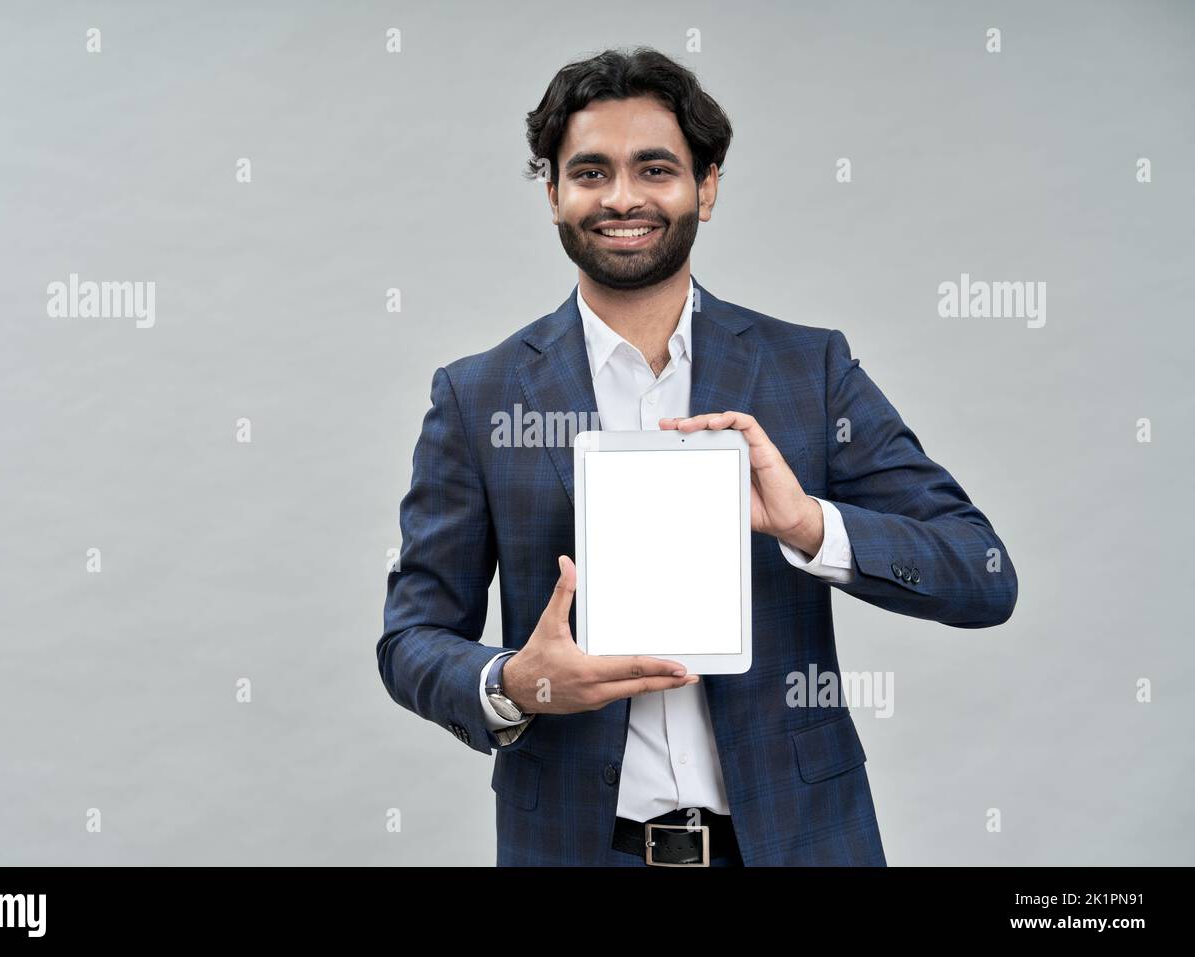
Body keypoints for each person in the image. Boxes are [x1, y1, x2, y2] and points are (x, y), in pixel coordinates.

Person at [377, 46, 1017, 867]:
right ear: (554, 196)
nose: (622, 198)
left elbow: (984, 572)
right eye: (590, 172)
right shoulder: (479, 395)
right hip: (577, 848)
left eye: (655, 169)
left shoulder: (809, 371)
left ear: (706, 187)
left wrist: (808, 524)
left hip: (796, 844)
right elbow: (412, 638)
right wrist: (514, 681)